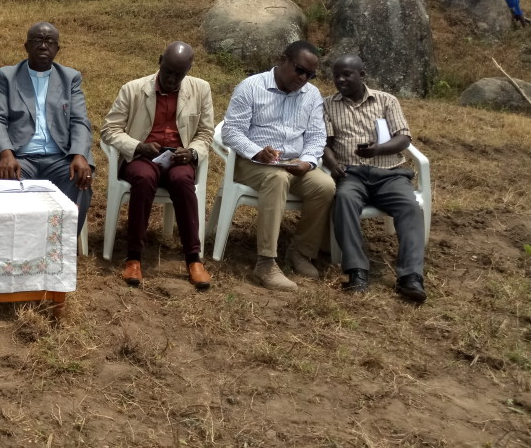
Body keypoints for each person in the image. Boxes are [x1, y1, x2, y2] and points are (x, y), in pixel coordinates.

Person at [221, 40, 335, 291]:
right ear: (282, 60)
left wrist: (308, 162)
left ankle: (300, 252)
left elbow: (317, 137)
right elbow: (231, 132)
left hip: (293, 164)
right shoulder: (251, 87)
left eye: (310, 74)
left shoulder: (312, 95)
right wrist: (256, 151)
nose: (304, 78)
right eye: (299, 70)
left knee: (325, 186)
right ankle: (266, 263)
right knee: (276, 179)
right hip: (253, 163)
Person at [100, 42, 214, 289]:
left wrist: (192, 152)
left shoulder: (201, 89)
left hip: (177, 158)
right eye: (168, 72)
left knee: (183, 181)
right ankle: (133, 258)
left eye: (179, 75)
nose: (172, 79)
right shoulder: (133, 89)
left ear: (188, 71)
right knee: (143, 179)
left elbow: (206, 133)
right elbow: (109, 129)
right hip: (142, 156)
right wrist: (138, 146)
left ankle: (194, 260)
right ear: (160, 60)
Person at [322, 54, 427, 303]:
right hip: (352, 174)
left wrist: (377, 150)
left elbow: (404, 138)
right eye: (336, 75)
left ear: (362, 75)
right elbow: (324, 143)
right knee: (344, 199)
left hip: (389, 173)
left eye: (347, 74)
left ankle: (410, 277)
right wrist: (333, 164)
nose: (340, 79)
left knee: (409, 206)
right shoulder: (327, 104)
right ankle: (357, 271)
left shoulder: (386, 101)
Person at [0, 22, 93, 233]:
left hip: (60, 158)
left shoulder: (70, 78)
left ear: (57, 49)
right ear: (26, 46)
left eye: (49, 41)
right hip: (20, 159)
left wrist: (79, 155)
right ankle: (19, 250)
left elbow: (80, 120)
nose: (43, 46)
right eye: (37, 40)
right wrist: (6, 154)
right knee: (7, 185)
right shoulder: (7, 76)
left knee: (81, 182)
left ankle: (62, 249)